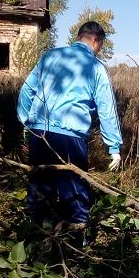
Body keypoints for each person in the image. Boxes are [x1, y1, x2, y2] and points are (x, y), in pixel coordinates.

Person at [17, 21, 123, 236]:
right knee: (74, 191)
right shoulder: (96, 67)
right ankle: (75, 247)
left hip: (40, 133)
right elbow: (107, 109)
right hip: (70, 138)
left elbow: (27, 90)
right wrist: (114, 147)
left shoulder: (50, 56)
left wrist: (27, 124)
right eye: (100, 45)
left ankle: (34, 240)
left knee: (39, 188)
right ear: (96, 40)